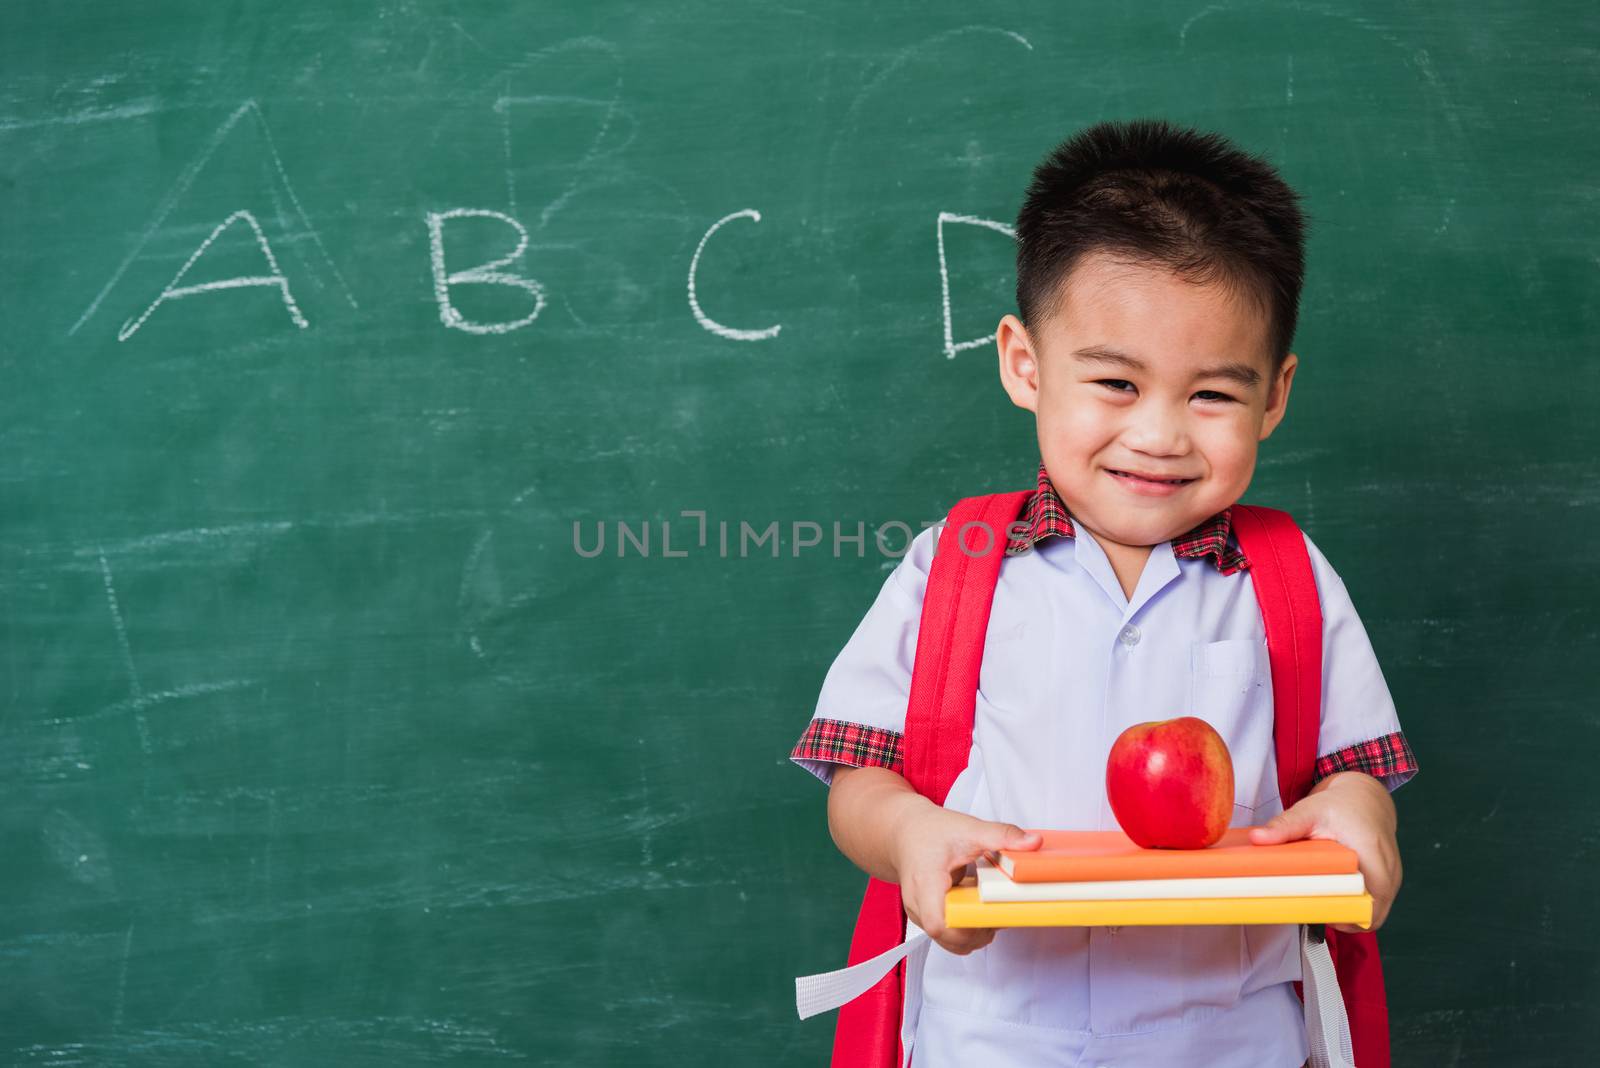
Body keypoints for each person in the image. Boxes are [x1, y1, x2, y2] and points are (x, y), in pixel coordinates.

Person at [789, 118, 1419, 1066]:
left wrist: (1361, 812)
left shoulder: (1288, 575)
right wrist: (911, 832)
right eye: (1117, 383)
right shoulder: (952, 562)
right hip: (991, 1032)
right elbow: (857, 776)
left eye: (1212, 395)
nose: (1161, 434)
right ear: (1024, 364)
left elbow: (1353, 769)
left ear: (1275, 397)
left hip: (1234, 1037)